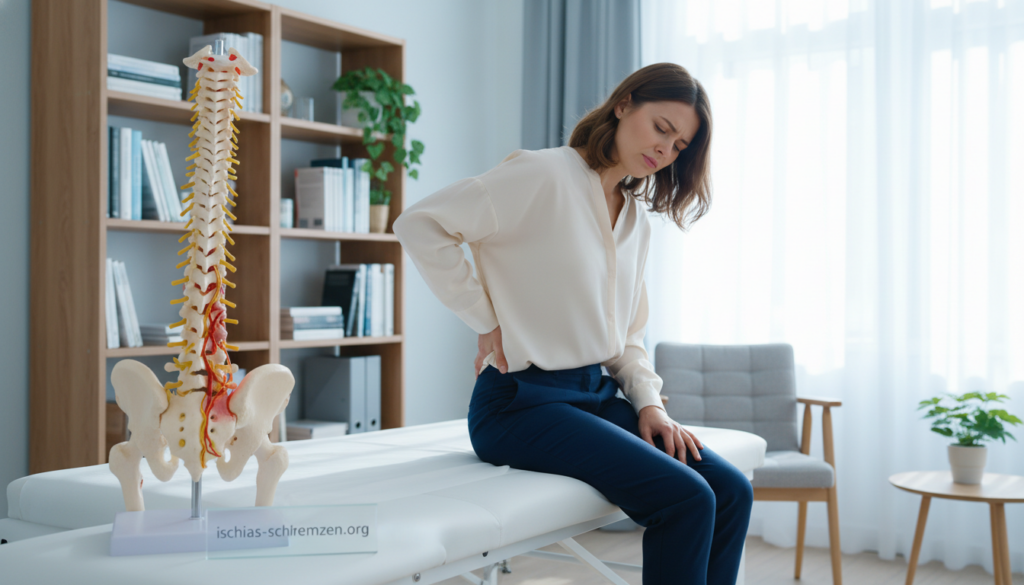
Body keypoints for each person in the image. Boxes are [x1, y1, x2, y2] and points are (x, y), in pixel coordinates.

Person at [391, 62, 753, 585]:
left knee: (731, 489)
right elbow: (421, 224)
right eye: (662, 128)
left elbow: (626, 337)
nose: (665, 150)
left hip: (597, 396)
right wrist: (483, 316)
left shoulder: (633, 221)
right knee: (687, 497)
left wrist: (649, 404)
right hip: (518, 404)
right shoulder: (543, 174)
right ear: (625, 103)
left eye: (679, 147)